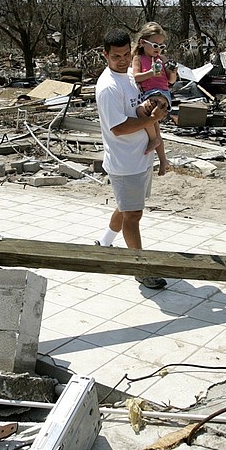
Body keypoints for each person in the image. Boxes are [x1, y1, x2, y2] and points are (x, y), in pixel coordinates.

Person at [94, 27, 169, 289]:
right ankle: (140, 268)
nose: (123, 60)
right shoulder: (107, 88)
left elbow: (138, 107)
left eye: (126, 54)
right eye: (116, 56)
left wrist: (151, 108)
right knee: (133, 215)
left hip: (139, 157)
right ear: (105, 55)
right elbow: (119, 128)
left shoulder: (127, 76)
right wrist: (151, 120)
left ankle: (104, 243)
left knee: (126, 207)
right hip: (124, 162)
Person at [130, 22, 176, 174]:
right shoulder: (138, 58)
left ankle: (152, 140)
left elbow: (171, 81)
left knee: (140, 112)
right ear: (143, 42)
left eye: (161, 46)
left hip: (161, 94)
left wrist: (173, 71)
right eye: (155, 45)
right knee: (154, 124)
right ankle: (163, 160)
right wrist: (150, 73)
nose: (158, 50)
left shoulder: (161, 59)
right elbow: (137, 77)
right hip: (148, 94)